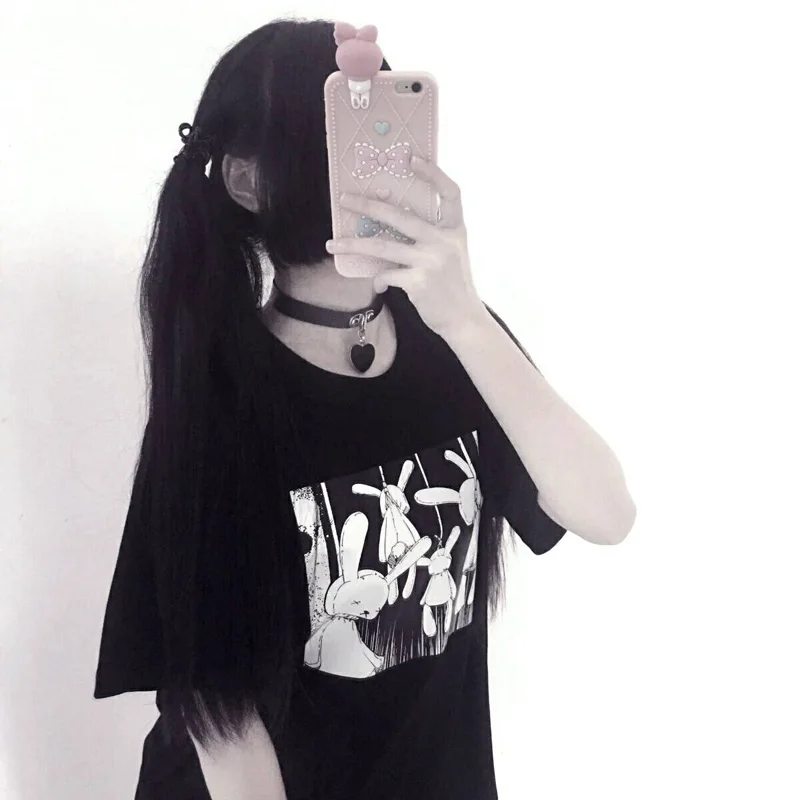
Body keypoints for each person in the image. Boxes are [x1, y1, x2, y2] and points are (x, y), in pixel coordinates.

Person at [93, 17, 637, 800]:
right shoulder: (219, 402)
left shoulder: (456, 338)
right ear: (249, 182)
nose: (382, 163)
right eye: (345, 138)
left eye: (390, 123)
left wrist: (464, 317)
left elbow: (607, 514)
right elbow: (225, 726)